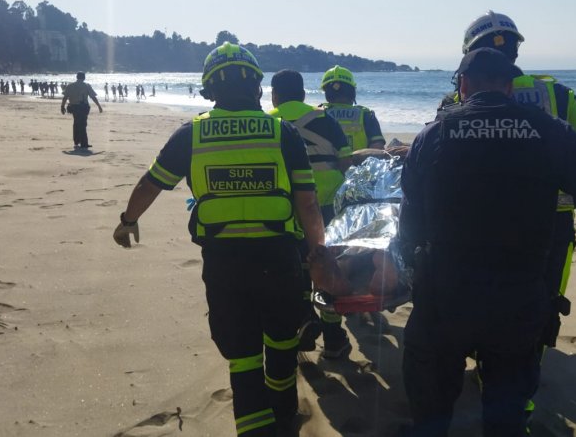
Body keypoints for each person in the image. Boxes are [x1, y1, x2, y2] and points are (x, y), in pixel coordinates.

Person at [398, 48, 576, 436]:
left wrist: (411, 269)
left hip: (446, 294)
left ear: (463, 86)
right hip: (518, 294)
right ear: (510, 88)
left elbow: (409, 218)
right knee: (507, 409)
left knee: (431, 403)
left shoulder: (434, 134)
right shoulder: (550, 132)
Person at [112, 43, 329, 435]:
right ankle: (283, 413)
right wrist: (317, 250)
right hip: (278, 258)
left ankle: (253, 428)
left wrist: (128, 220)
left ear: (210, 89)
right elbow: (309, 204)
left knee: (242, 354)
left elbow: (151, 184)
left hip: (225, 262)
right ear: (257, 87)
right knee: (281, 341)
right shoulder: (282, 133)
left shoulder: (191, 134)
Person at [455, 12, 576, 381]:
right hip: (551, 222)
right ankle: (521, 384)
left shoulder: (461, 95)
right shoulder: (556, 93)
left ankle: (482, 358)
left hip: (477, 221)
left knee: (479, 292)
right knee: (542, 302)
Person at [268, 69, 355, 359]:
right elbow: (345, 162)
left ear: (274, 94)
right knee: (328, 267)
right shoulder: (324, 119)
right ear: (304, 94)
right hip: (326, 204)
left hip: (286, 206)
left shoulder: (269, 121)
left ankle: (305, 318)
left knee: (298, 269)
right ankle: (333, 340)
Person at [319, 65, 385, 151]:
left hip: (324, 164)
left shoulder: (316, 114)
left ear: (327, 93)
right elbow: (378, 148)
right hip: (359, 164)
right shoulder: (366, 115)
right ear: (352, 92)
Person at [60, 72, 102, 149]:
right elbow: (93, 97)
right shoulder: (86, 86)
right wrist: (99, 106)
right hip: (83, 107)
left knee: (76, 123)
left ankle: (76, 141)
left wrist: (62, 107)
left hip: (74, 107)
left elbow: (65, 97)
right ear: (84, 78)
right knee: (83, 124)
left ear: (77, 77)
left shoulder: (70, 86)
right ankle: (84, 143)